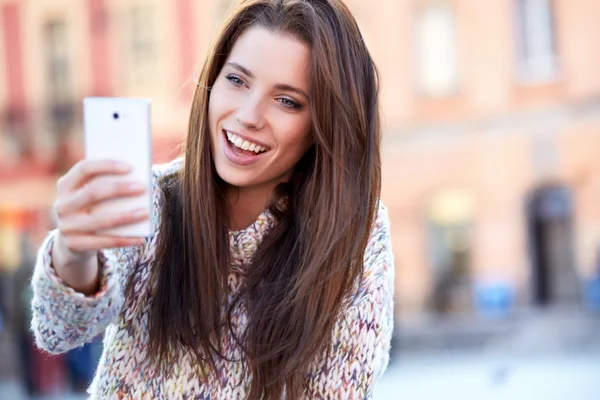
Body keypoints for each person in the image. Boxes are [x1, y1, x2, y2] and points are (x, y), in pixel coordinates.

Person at [30, 0, 395, 398]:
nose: (248, 115)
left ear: (323, 126)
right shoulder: (153, 200)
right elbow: (61, 330)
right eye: (237, 81)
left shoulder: (355, 237)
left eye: (287, 101)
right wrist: (74, 253)